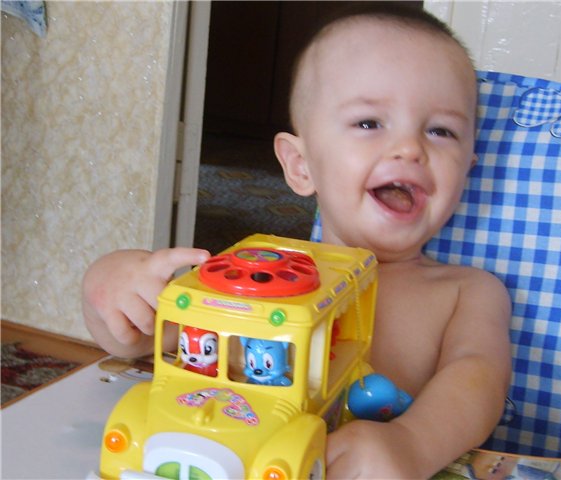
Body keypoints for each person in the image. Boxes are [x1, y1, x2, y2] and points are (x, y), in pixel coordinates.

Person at [82, 4, 512, 478]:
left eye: (441, 131)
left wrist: (412, 443)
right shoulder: (253, 278)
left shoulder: (467, 292)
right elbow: (141, 340)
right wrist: (113, 285)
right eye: (369, 123)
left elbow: (479, 379)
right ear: (301, 166)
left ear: (466, 170)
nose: (411, 148)